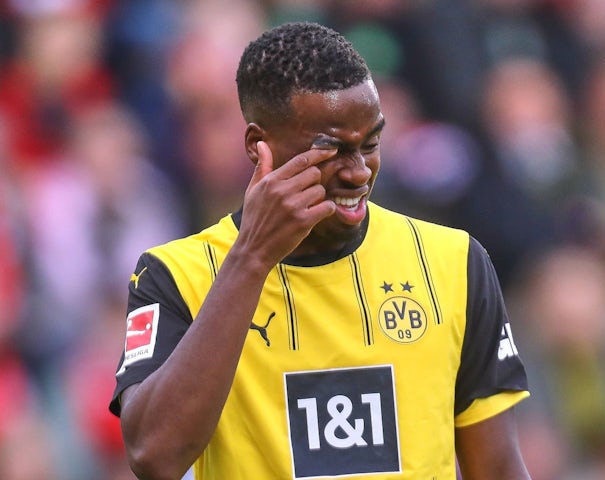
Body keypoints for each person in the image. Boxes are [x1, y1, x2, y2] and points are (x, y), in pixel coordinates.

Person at [109, 22, 531, 480]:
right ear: (258, 146)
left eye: (370, 144)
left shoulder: (453, 262)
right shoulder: (175, 275)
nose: (358, 173)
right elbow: (154, 454)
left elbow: (499, 468)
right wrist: (251, 258)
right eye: (330, 150)